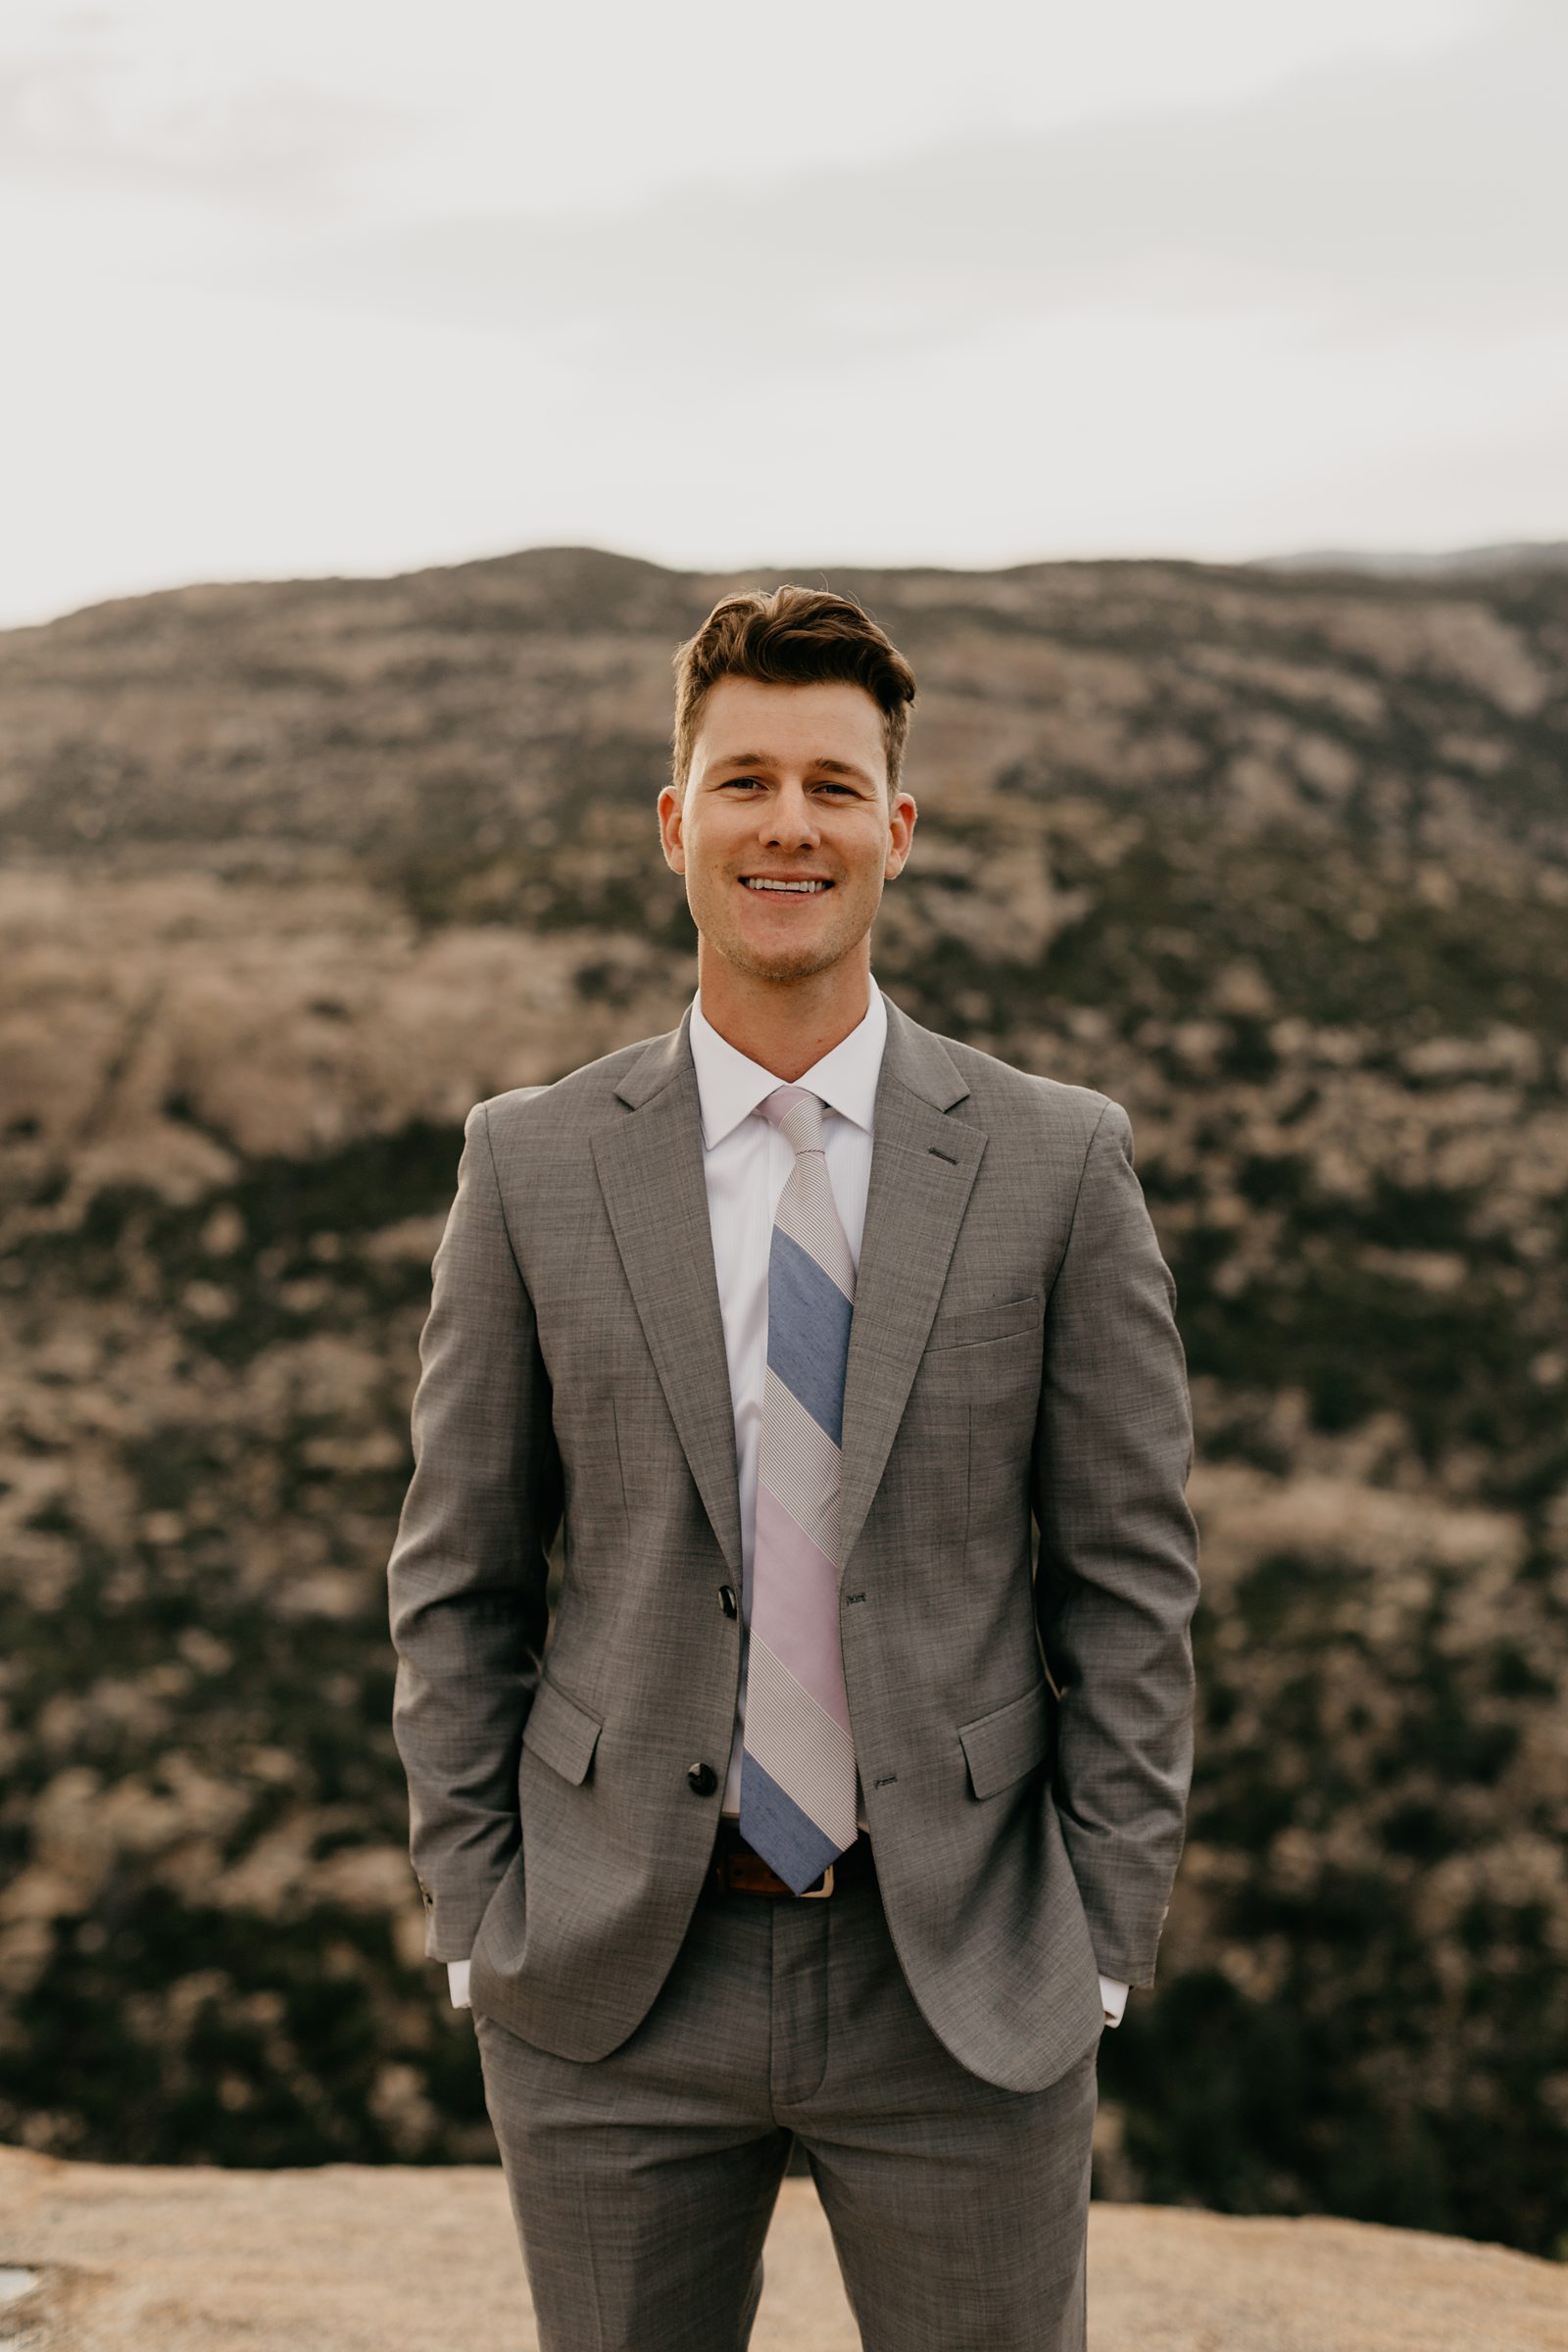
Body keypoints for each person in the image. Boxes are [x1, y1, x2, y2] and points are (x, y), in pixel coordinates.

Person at [386, 584, 1200, 2351]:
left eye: (833, 786)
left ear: (895, 831)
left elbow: (1129, 1581)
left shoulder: (1059, 1164)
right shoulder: (528, 1167)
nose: (788, 824)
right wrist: (478, 1915)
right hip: (610, 1983)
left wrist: (1104, 1936)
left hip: (963, 1975)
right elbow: (459, 1577)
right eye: (743, 779)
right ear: (677, 822)